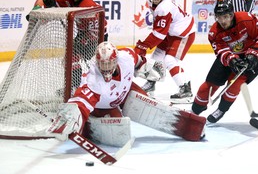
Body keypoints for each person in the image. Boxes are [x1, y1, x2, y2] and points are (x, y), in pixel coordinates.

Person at [47, 42, 206, 143]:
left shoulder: (126, 56)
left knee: (153, 106)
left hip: (126, 90)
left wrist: (148, 66)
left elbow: (139, 60)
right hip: (104, 105)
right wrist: (72, 115)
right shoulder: (93, 80)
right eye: (103, 64)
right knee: (119, 131)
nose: (106, 67)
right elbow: (81, 102)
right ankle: (87, 125)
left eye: (110, 63)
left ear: (116, 60)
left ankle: (193, 127)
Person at [191, 0, 258, 123]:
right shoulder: (214, 33)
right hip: (230, 57)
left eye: (226, 17)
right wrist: (232, 60)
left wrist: (254, 53)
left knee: (234, 86)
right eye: (219, 17)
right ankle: (194, 110)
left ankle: (222, 109)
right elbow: (221, 51)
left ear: (232, 15)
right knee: (207, 87)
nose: (222, 21)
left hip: (253, 56)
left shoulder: (247, 19)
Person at [28, 0, 108, 91]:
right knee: (69, 59)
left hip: (96, 35)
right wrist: (39, 8)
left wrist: (100, 43)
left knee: (73, 58)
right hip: (83, 32)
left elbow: (102, 26)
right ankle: (74, 86)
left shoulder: (88, 5)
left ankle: (75, 87)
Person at [134, 0, 196, 101]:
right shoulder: (152, 2)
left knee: (169, 60)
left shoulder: (164, 8)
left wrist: (143, 46)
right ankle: (151, 83)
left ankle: (185, 88)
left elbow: (159, 34)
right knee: (156, 56)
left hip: (183, 34)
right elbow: (160, 31)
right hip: (171, 32)